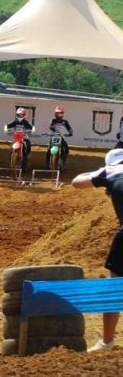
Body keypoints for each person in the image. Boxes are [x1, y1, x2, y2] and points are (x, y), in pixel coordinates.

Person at [72, 148, 123, 352]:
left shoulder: (109, 171)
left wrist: (99, 174)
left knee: (115, 285)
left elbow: (76, 182)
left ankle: (107, 342)